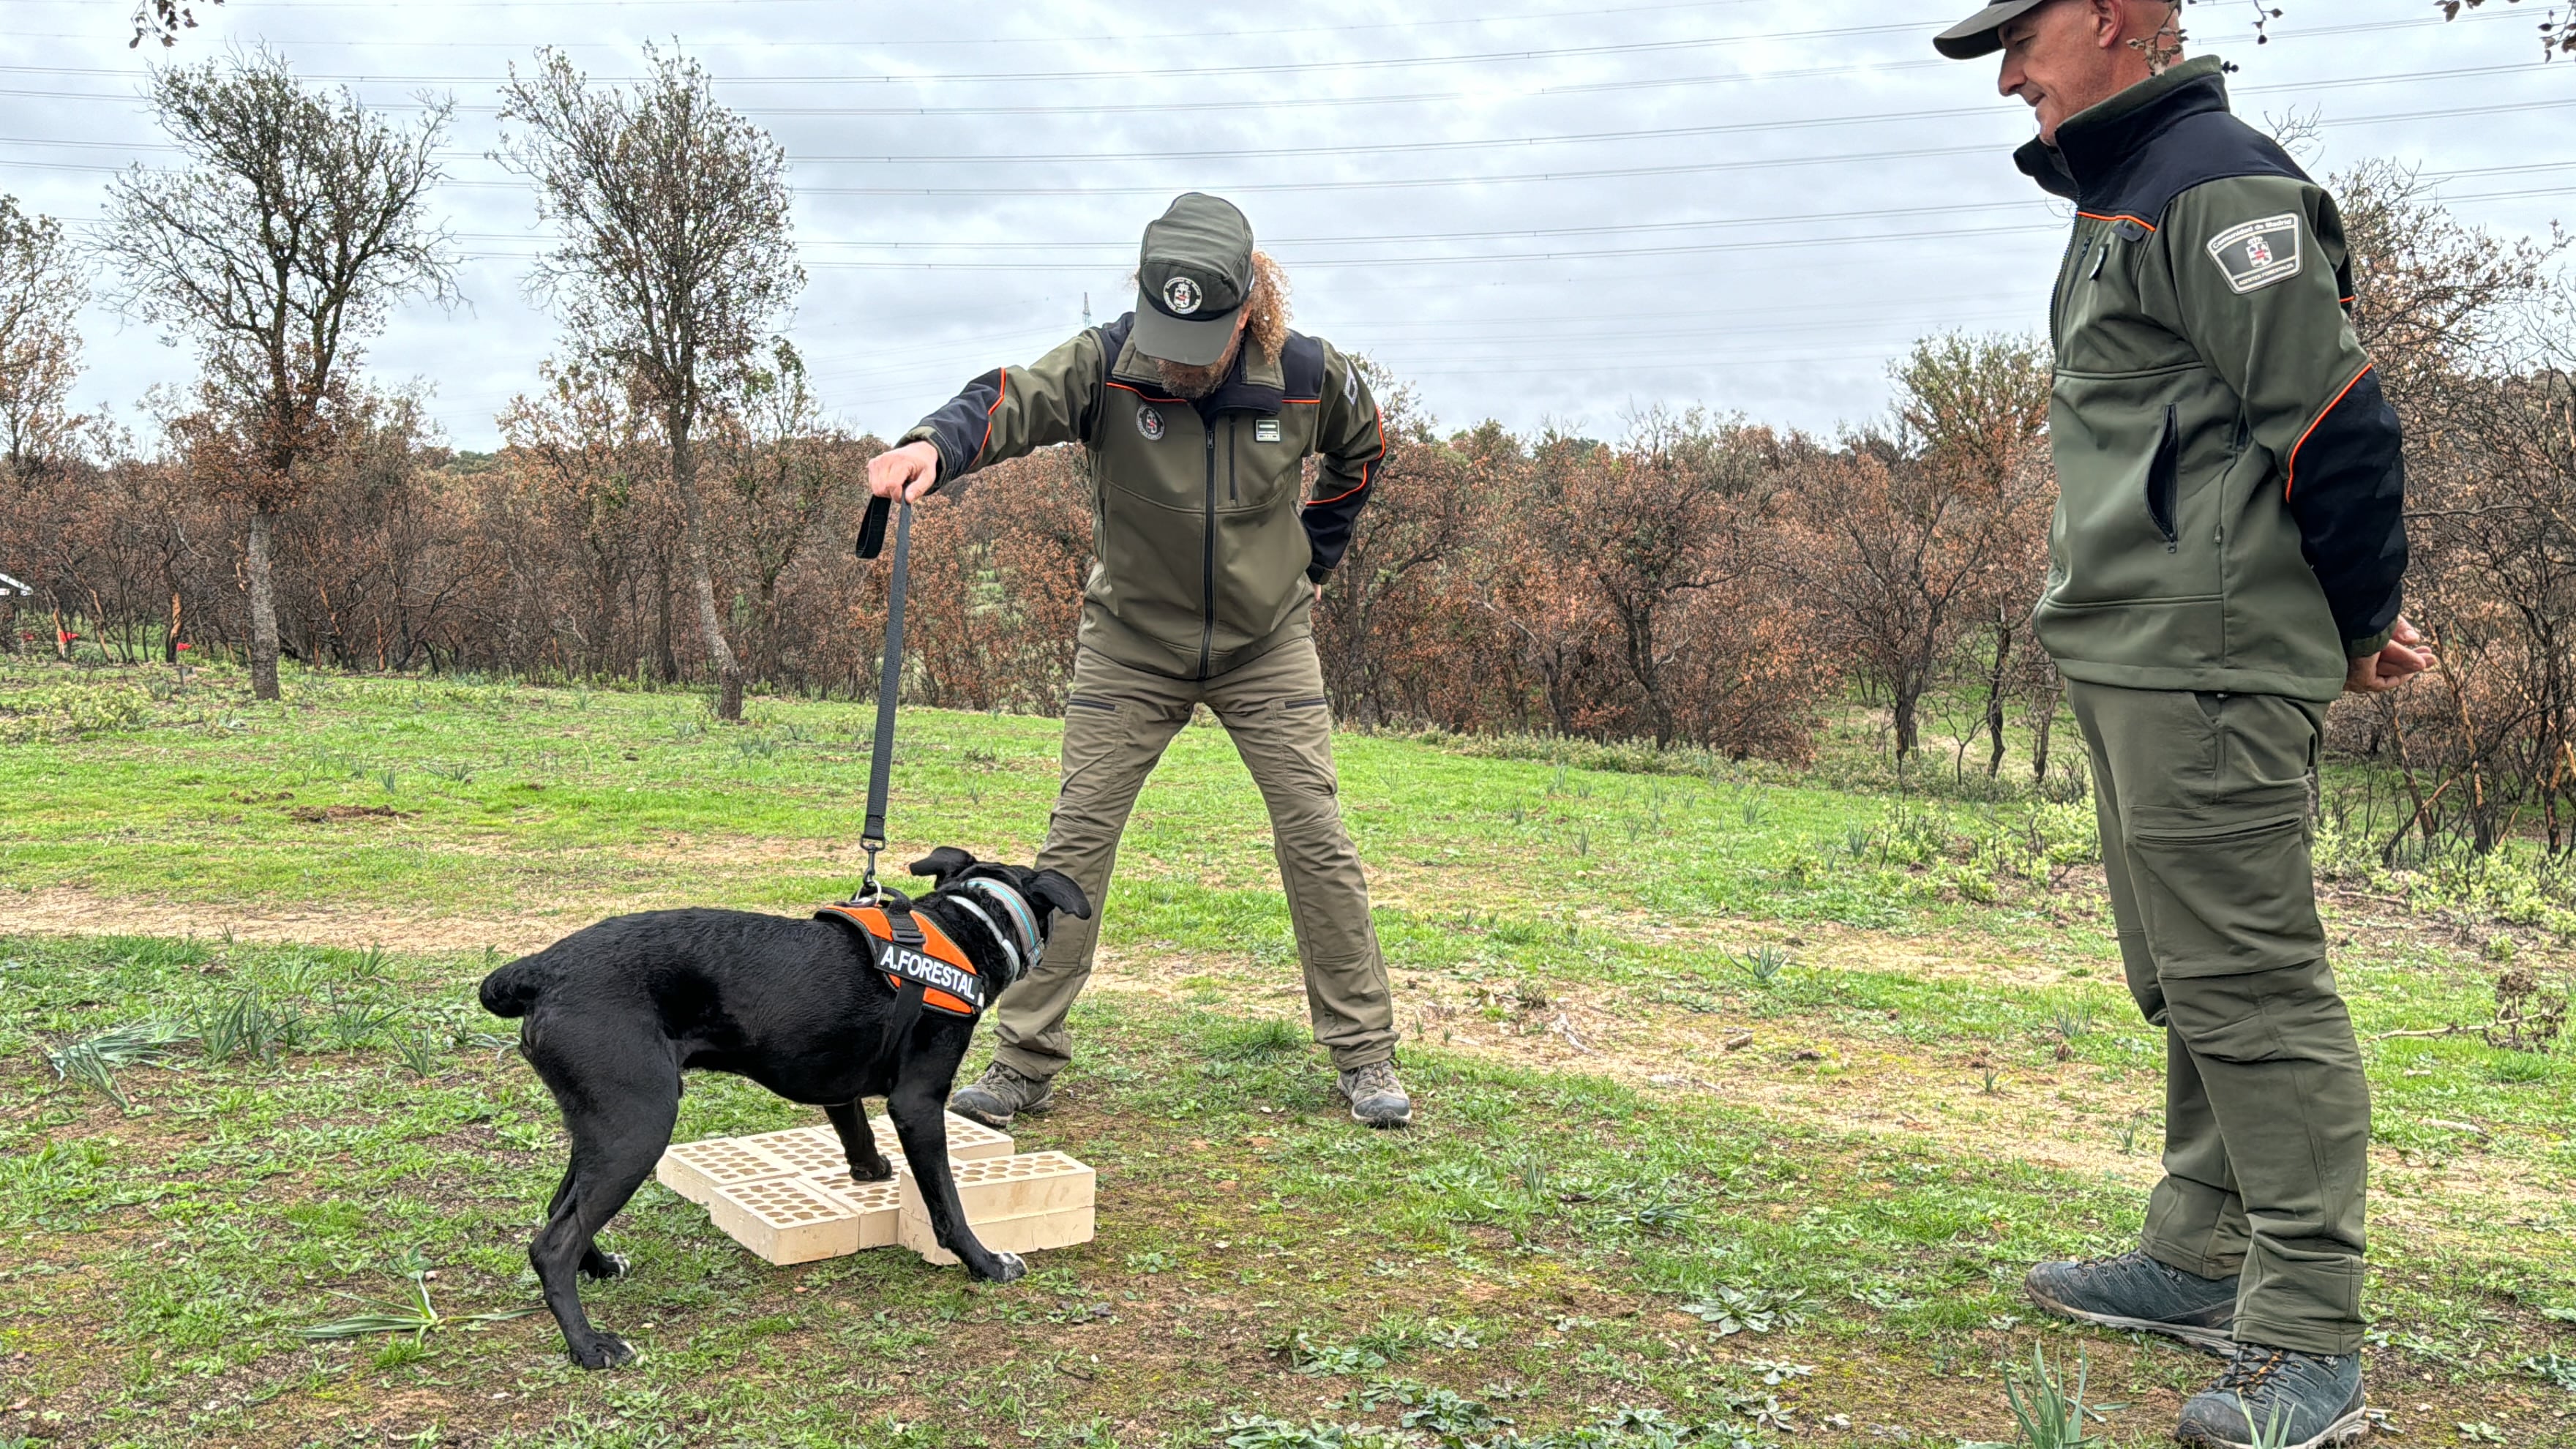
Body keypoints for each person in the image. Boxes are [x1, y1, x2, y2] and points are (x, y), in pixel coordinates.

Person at [1933, 3, 2429, 1445]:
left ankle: (2304, 1341)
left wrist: (2344, 625)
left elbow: (2334, 422)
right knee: (2188, 977)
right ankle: (2198, 1253)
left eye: (2019, 42)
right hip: (2140, 649)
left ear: (2109, 19)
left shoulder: (2211, 183)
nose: (2011, 76)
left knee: (2251, 987)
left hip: (2204, 661)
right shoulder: (2124, 190)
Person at [864, 192, 1411, 1130]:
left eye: (1202, 339)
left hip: (1265, 643)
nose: (1176, 362)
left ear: (1249, 307)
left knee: (1316, 838)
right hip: (1131, 644)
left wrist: (1313, 559)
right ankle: (1025, 1061)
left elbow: (1361, 455)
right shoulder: (1105, 366)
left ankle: (1362, 1054)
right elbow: (1006, 400)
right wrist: (930, 447)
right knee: (1076, 845)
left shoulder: (1314, 377)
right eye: (1166, 335)